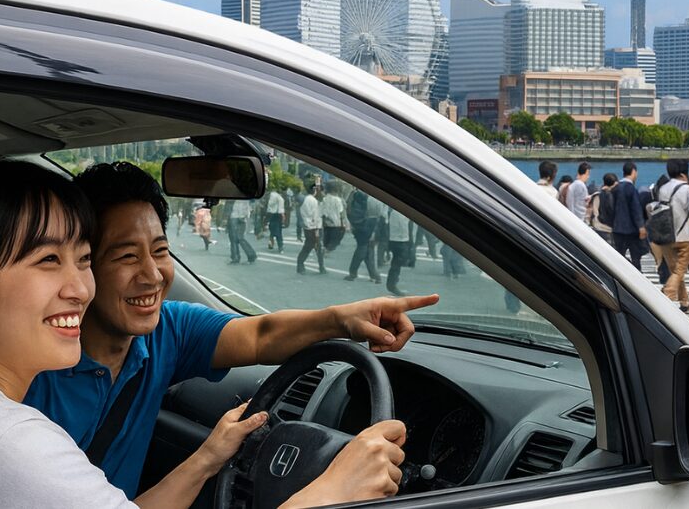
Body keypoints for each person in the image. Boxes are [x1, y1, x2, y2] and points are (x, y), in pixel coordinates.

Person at [26, 161, 439, 502]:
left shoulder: (167, 329)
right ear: (83, 265)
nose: (152, 275)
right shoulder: (30, 373)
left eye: (160, 250)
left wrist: (343, 319)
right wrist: (334, 489)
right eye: (126, 256)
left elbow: (260, 335)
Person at [0, 158, 267, 508]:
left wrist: (207, 458)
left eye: (84, 259)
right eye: (49, 260)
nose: (81, 290)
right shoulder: (12, 444)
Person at [649, 159, 689, 313]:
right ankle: (667, 294)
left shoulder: (662, 188)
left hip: (665, 236)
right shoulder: (688, 190)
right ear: (684, 173)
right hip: (683, 237)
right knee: (679, 271)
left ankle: (684, 302)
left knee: (675, 271)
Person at [610, 161, 648, 269]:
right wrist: (641, 226)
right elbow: (636, 209)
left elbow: (611, 208)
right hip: (631, 230)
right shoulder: (631, 189)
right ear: (633, 171)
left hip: (617, 228)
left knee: (619, 256)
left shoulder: (615, 188)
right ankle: (636, 275)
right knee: (635, 257)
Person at [345, 189, 383, 284]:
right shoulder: (372, 198)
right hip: (370, 224)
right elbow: (380, 214)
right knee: (367, 250)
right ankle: (374, 275)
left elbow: (349, 210)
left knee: (363, 249)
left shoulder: (356, 195)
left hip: (362, 226)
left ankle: (354, 273)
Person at [384, 206, 414, 296]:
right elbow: (404, 227)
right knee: (397, 264)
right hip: (401, 240)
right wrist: (409, 240)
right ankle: (392, 284)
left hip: (394, 239)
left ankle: (393, 282)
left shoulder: (393, 212)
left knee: (396, 263)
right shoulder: (401, 213)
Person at [297, 183, 326, 274]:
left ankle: (302, 265)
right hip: (314, 227)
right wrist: (317, 230)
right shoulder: (313, 201)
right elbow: (315, 216)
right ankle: (320, 267)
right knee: (315, 247)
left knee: (310, 247)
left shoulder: (306, 199)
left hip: (308, 227)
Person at [587, 172, 617, 242]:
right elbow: (611, 212)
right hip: (607, 229)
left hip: (597, 227)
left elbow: (593, 212)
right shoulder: (610, 196)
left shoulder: (596, 195)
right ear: (614, 183)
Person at [226, 199, 258, 265]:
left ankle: (236, 257)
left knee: (234, 238)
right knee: (239, 238)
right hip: (241, 217)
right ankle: (250, 255)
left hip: (234, 217)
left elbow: (228, 207)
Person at [320, 182, 347, 252]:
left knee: (326, 237)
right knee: (334, 238)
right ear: (335, 190)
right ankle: (328, 249)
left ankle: (325, 248)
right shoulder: (337, 200)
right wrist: (343, 223)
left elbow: (322, 212)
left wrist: (322, 221)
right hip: (336, 223)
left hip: (326, 222)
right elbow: (341, 212)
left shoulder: (324, 199)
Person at [265, 186, 286, 253]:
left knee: (272, 230)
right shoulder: (279, 198)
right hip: (277, 215)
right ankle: (280, 247)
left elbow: (267, 206)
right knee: (278, 232)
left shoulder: (270, 195)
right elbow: (281, 210)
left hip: (270, 215)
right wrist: (283, 218)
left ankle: (271, 242)